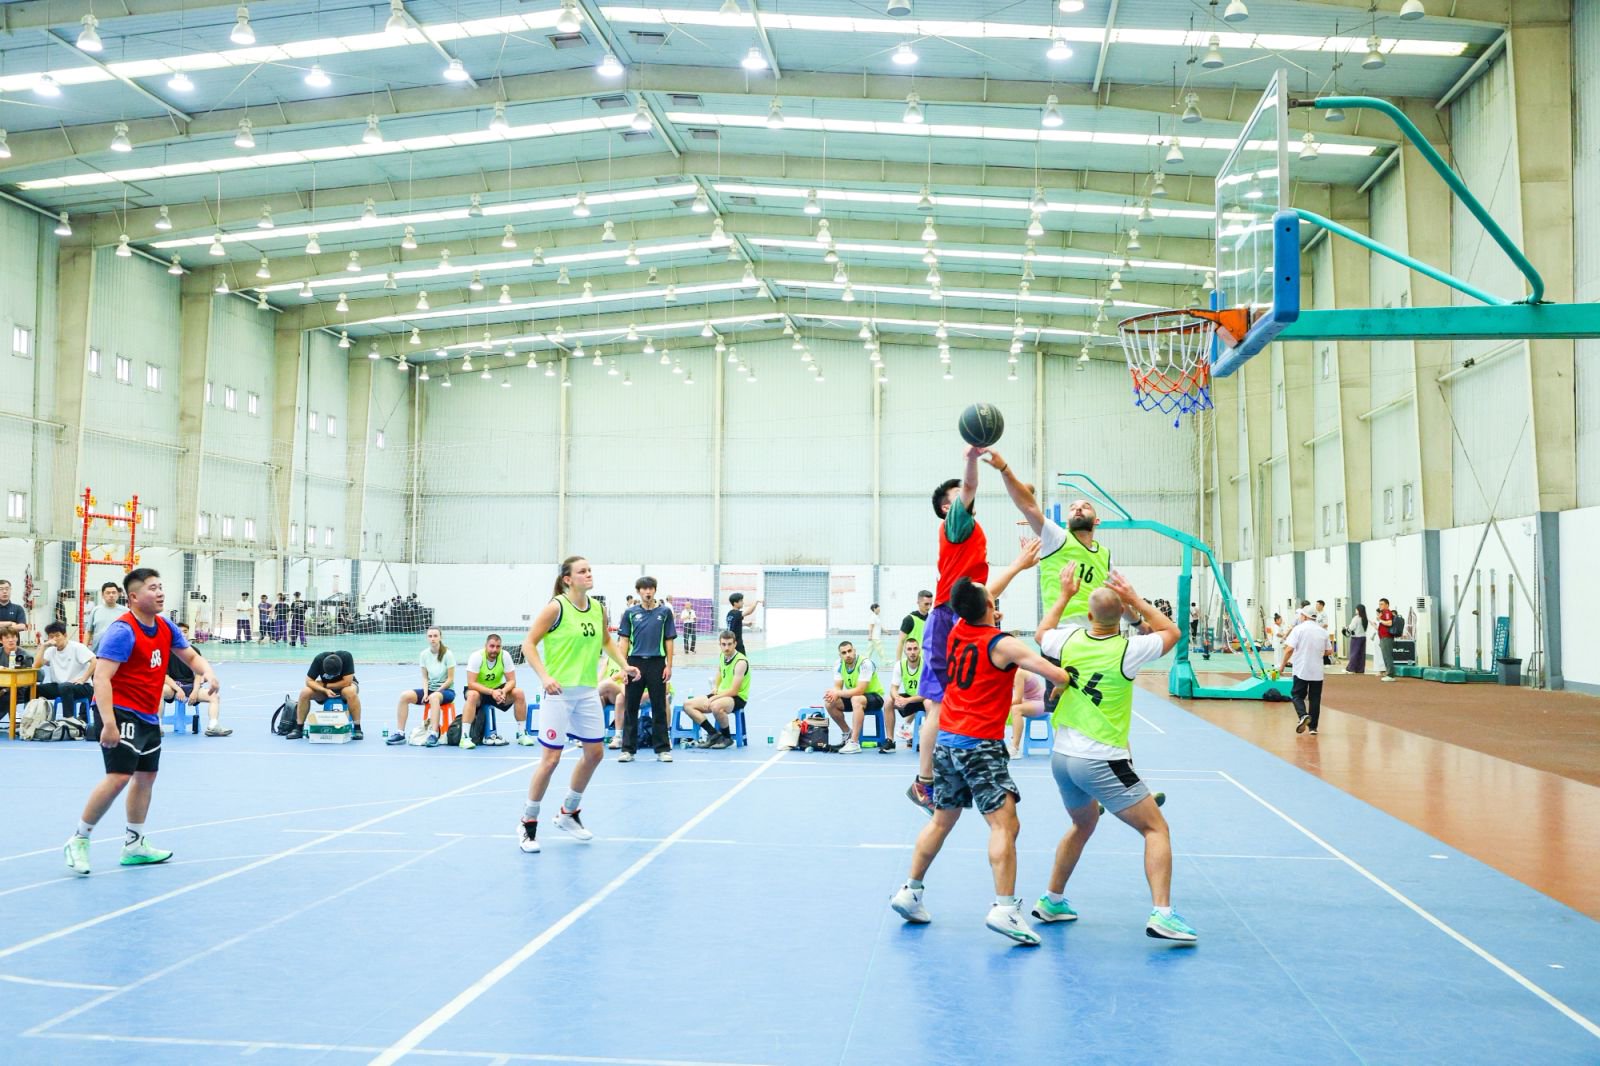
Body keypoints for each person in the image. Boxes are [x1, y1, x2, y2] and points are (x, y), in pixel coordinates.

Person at [888, 575, 1069, 946]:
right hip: (980, 746)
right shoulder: (1004, 645)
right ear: (989, 606)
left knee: (941, 820)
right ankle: (1005, 908)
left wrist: (1019, 567)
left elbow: (974, 600)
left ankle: (911, 891)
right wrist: (1066, 679)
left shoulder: (957, 631)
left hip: (947, 742)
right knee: (1005, 824)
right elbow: (1055, 674)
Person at [1030, 567, 1193, 943]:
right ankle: (1163, 914)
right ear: (1121, 614)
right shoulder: (1128, 650)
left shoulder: (1067, 640)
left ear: (1088, 615)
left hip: (1062, 758)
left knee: (1083, 824)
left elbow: (1042, 633)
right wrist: (1135, 599)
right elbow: (1172, 633)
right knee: (1156, 829)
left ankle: (1053, 900)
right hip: (1101, 759)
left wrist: (1064, 594)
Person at [63, 567, 220, 876]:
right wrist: (109, 723)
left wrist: (209, 673)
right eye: (152, 588)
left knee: (146, 776)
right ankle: (79, 839)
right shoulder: (123, 632)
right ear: (134, 597)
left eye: (161, 587)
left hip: (147, 713)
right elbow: (101, 678)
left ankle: (134, 845)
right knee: (119, 776)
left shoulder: (164, 626)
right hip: (120, 711)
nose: (160, 593)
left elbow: (190, 656)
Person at [518, 555, 639, 854]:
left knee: (595, 754)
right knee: (551, 760)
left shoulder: (597, 608)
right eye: (582, 571)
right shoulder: (556, 608)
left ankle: (568, 813)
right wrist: (545, 676)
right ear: (568, 579)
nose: (588, 574)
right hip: (558, 692)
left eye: (590, 570)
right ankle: (528, 822)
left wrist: (624, 664)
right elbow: (528, 644)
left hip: (586, 692)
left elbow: (606, 642)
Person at [907, 447, 992, 812]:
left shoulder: (969, 531)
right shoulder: (956, 523)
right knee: (940, 705)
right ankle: (924, 782)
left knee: (957, 702)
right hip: (948, 618)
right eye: (957, 494)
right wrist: (972, 457)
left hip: (962, 614)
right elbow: (970, 486)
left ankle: (946, 774)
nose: (966, 494)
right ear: (947, 506)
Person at [617, 576, 677, 764]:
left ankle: (662, 749)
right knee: (631, 707)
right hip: (635, 663)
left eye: (651, 588)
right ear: (638, 591)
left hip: (657, 663)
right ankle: (628, 750)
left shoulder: (665, 612)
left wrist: (669, 665)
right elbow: (624, 641)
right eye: (644, 589)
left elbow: (669, 640)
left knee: (659, 706)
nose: (648, 592)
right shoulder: (629, 613)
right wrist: (624, 667)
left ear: (655, 590)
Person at [460, 633, 531, 748]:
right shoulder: (477, 657)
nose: (494, 650)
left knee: (519, 693)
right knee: (472, 695)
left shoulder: (505, 656)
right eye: (492, 646)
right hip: (479, 691)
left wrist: (504, 691)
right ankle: (464, 737)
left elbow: (512, 681)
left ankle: (522, 734)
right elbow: (471, 683)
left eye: (498, 647)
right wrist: (491, 692)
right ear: (486, 646)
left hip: (497, 691)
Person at [684, 629, 748, 749]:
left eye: (729, 644)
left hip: (737, 697)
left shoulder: (741, 662)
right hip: (721, 694)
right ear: (720, 644)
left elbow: (734, 691)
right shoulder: (722, 656)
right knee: (688, 705)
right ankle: (713, 734)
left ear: (735, 644)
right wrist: (715, 688)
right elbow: (719, 673)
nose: (726, 647)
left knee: (715, 706)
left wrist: (715, 698)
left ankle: (727, 738)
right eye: (723, 644)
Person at [163, 622, 230, 736]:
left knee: (214, 696)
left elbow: (198, 674)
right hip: (172, 688)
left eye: (185, 632)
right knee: (159, 691)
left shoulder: (194, 651)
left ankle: (213, 726)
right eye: (180, 632)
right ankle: (157, 726)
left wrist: (194, 691)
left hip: (190, 687)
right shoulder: (165, 651)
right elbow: (164, 676)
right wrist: (178, 689)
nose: (183, 634)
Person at [395, 628, 454, 747]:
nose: (433, 639)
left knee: (434, 697)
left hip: (446, 691)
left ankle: (434, 734)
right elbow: (425, 678)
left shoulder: (448, 654)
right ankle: (400, 733)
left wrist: (436, 692)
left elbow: (450, 679)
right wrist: (426, 693)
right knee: (404, 696)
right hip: (430, 690)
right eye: (430, 636)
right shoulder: (424, 654)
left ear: (440, 637)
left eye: (435, 636)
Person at [824, 640, 885, 754]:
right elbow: (837, 687)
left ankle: (854, 742)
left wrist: (837, 693)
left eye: (849, 651)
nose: (847, 655)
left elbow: (860, 690)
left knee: (856, 699)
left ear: (854, 651)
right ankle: (847, 733)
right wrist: (832, 694)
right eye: (844, 653)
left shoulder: (865, 663)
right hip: (855, 698)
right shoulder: (838, 664)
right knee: (830, 702)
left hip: (875, 698)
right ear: (840, 655)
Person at [1279, 605, 1331, 735]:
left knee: (1297, 695)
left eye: (1301, 615)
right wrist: (1317, 652)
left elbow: (1289, 649)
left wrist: (1282, 666)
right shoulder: (1323, 631)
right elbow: (1329, 651)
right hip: (1317, 671)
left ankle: (1303, 715)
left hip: (1301, 669)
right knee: (1315, 699)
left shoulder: (1298, 629)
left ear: (1305, 616)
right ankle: (1313, 728)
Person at [294, 649, 362, 741]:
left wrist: (326, 685)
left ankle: (357, 728)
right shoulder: (318, 659)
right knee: (305, 692)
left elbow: (347, 682)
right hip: (325, 689)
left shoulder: (346, 657)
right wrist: (324, 690)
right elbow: (308, 681)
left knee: (350, 692)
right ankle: (299, 728)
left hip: (345, 687)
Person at [881, 635, 926, 754]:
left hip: (923, 699)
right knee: (888, 701)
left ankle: (929, 740)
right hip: (910, 698)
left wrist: (907, 700)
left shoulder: (926, 664)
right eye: (909, 649)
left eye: (915, 648)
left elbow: (928, 693)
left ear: (919, 650)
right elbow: (893, 688)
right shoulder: (900, 665)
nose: (912, 652)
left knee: (930, 703)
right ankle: (890, 740)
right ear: (905, 651)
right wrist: (897, 698)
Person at [38, 621, 96, 708]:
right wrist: (43, 647)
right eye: (51, 637)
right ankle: (30, 715)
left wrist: (83, 679)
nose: (55, 639)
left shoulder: (77, 647)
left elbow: (95, 661)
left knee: (65, 687)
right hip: (59, 686)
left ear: (65, 635)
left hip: (82, 686)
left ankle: (69, 716)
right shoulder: (50, 651)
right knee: (34, 689)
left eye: (57, 635)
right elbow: (37, 666)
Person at [1007, 665, 1047, 758]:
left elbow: (1017, 700)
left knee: (1016, 709)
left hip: (1042, 703)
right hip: (1029, 701)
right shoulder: (1007, 674)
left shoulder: (1018, 673)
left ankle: (1015, 748)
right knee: (1011, 707)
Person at [1, 629, 34, 710]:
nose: (10, 640)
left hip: (19, 689)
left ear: (17, 638)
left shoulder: (26, 656)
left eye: (13, 637)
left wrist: (5, 690)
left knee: (6, 697)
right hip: (2, 685)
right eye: (7, 638)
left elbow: (26, 680)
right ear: (1, 640)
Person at [897, 590, 932, 663]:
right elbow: (901, 642)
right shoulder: (909, 620)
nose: (929, 607)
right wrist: (898, 662)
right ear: (918, 603)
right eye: (926, 604)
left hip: (926, 662)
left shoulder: (931, 620)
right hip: (912, 662)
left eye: (930, 604)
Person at [87, 581, 123, 650]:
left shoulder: (126, 612)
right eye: (108, 593)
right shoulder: (95, 610)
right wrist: (84, 649)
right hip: (97, 652)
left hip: (118, 652)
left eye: (114, 592)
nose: (111, 595)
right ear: (102, 595)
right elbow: (89, 632)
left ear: (118, 594)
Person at [1376, 598, 1400, 681]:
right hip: (1383, 637)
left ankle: (1390, 675)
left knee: (1387, 656)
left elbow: (1389, 623)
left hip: (1386, 637)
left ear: (1387, 605)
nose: (1380, 606)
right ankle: (1389, 674)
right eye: (1379, 604)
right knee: (1385, 656)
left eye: (1382, 604)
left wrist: (1380, 620)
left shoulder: (1386, 612)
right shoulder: (1383, 613)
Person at [1345, 603, 1370, 674]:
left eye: (1356, 609)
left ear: (1359, 610)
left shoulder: (1356, 618)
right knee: (1361, 654)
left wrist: (1346, 628)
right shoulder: (1365, 618)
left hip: (1356, 638)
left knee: (1354, 653)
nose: (1355, 610)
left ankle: (1351, 669)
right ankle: (1360, 669)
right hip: (1363, 637)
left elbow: (1351, 628)